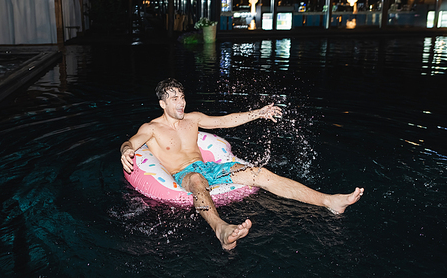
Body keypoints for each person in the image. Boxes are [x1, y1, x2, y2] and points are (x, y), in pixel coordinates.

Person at [121, 78, 364, 250]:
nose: (181, 103)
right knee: (197, 180)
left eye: (182, 97)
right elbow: (131, 142)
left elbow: (226, 121)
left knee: (261, 174)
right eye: (174, 99)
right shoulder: (151, 128)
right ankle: (221, 230)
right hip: (184, 174)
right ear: (163, 104)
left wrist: (258, 113)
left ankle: (329, 201)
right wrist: (126, 151)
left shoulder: (193, 119)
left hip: (210, 168)